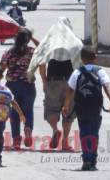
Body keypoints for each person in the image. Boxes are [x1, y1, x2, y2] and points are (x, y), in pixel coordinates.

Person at [28, 17, 83, 151]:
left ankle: (54, 130)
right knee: (68, 112)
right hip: (71, 83)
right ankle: (64, 142)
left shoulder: (49, 43)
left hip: (53, 81)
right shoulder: (76, 42)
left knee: (52, 109)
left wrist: (44, 80)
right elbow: (80, 64)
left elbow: (41, 62)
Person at [62, 47, 110, 171]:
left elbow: (70, 90)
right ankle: (93, 160)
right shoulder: (100, 71)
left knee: (84, 132)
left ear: (81, 58)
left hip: (81, 107)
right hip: (96, 108)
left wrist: (66, 105)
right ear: (95, 57)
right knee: (94, 132)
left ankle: (86, 159)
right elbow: (106, 86)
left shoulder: (77, 72)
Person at [0, 28, 39, 149]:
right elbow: (43, 48)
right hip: (28, 85)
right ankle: (28, 129)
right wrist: (31, 37)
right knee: (28, 110)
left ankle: (16, 139)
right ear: (27, 40)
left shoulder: (9, 52)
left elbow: (2, 68)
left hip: (12, 86)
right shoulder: (32, 51)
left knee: (14, 113)